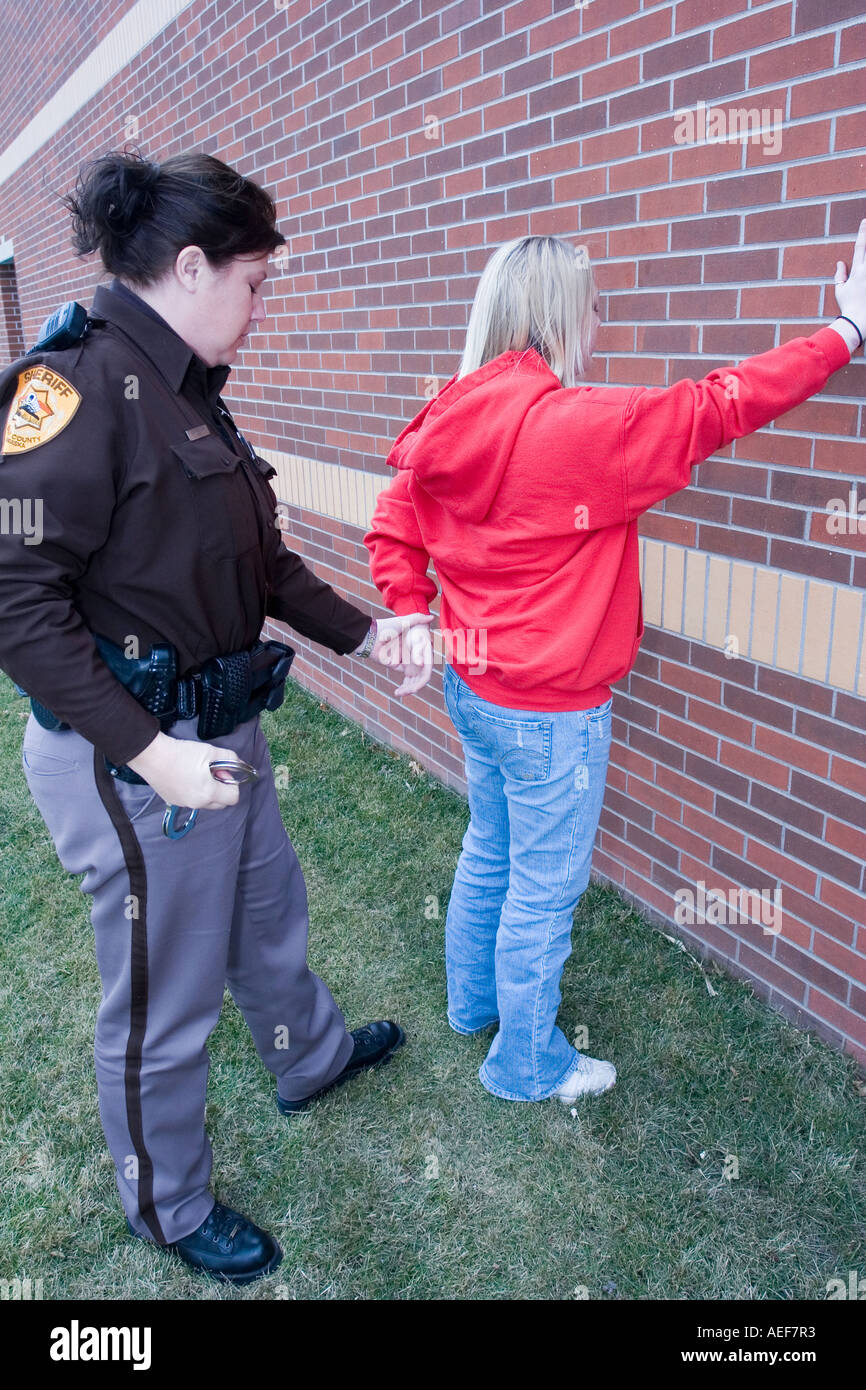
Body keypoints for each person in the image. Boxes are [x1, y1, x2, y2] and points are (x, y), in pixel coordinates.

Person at [0, 149, 433, 1285]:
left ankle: (309, 1058)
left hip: (215, 732)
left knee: (265, 912)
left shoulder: (190, 391)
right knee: (165, 994)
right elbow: (15, 601)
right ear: (188, 267)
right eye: (254, 280)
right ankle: (170, 1204)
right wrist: (152, 755)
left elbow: (258, 559)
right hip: (134, 757)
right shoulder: (73, 389)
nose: (260, 303)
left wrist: (363, 631)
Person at [364, 227, 866, 1106]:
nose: (600, 323)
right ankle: (526, 1064)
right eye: (593, 306)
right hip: (551, 713)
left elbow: (392, 527)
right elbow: (724, 403)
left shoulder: (447, 414)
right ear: (559, 312)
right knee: (541, 892)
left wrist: (410, 609)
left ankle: (472, 1006)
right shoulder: (583, 427)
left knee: (491, 846)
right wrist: (849, 332)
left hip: (476, 689)